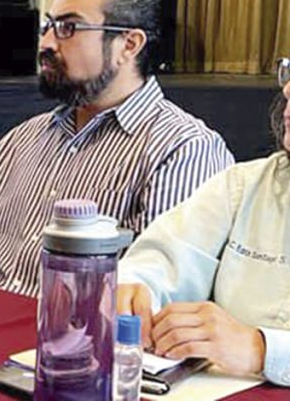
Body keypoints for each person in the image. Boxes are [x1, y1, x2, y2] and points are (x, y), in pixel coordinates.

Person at [0, 0, 234, 297]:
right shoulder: (21, 139)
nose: (46, 43)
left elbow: (152, 292)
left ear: (129, 45)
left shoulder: (183, 149)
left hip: (78, 329)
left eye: (68, 28)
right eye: (48, 26)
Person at [116, 68, 290, 387]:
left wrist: (262, 350)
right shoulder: (244, 185)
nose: (288, 90)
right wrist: (134, 290)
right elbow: (164, 258)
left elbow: (261, 351)